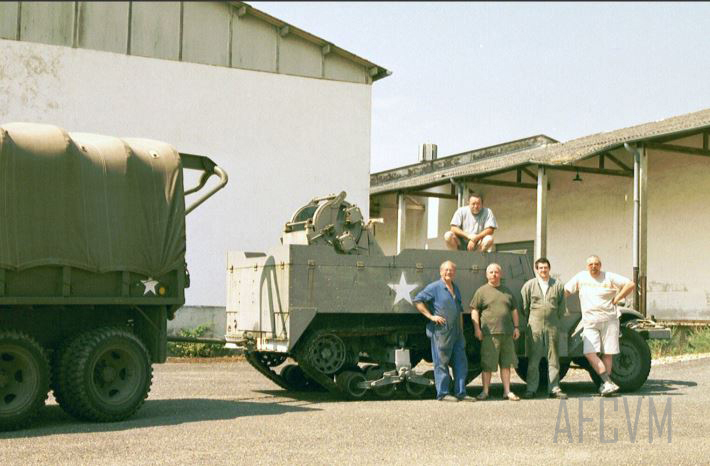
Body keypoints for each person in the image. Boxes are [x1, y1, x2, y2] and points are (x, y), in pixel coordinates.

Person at [564, 255, 635, 397]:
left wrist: (617, 298)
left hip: (610, 319)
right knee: (589, 353)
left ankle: (605, 385)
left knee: (607, 353)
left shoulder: (608, 276)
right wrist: (558, 304)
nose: (593, 267)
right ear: (587, 266)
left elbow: (630, 284)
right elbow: (566, 291)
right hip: (590, 321)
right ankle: (607, 381)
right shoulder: (581, 277)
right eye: (590, 264)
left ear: (600, 265)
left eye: (596, 264)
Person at [413, 260, 471, 401]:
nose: (448, 272)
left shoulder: (455, 287)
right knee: (442, 362)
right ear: (440, 272)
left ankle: (461, 393)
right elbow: (418, 300)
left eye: (451, 270)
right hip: (442, 331)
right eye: (446, 270)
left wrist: (461, 331)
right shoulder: (434, 287)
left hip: (457, 332)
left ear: (454, 273)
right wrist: (431, 316)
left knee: (460, 362)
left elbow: (459, 311)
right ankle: (443, 393)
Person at [470, 263, 521, 401]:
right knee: (487, 365)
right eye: (491, 272)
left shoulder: (507, 291)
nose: (494, 274)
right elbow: (474, 310)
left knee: (506, 364)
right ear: (487, 275)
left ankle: (507, 391)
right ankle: (485, 392)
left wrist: (516, 327)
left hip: (507, 334)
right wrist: (477, 329)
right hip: (489, 334)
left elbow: (514, 310)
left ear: (500, 274)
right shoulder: (481, 291)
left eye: (496, 272)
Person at [520, 257, 567, 399]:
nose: (543, 270)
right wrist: (535, 318)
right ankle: (531, 389)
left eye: (545, 267)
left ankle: (554, 388)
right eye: (540, 268)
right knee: (533, 359)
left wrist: (552, 318)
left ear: (549, 268)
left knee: (553, 359)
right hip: (535, 327)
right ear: (537, 269)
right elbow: (524, 307)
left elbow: (561, 307)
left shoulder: (558, 285)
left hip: (552, 326)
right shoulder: (529, 285)